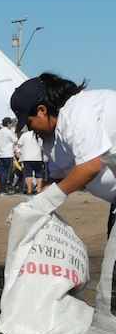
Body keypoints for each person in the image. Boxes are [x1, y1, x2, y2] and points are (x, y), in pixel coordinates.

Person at [10, 73, 116, 233]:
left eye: (29, 122)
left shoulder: (77, 113)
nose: (30, 128)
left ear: (42, 110)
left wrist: (46, 202)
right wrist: (33, 205)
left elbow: (91, 166)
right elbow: (57, 178)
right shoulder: (52, 138)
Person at [0, 117, 18, 195]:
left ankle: (1, 189)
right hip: (8, 154)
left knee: (1, 172)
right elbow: (16, 141)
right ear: (8, 123)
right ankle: (3, 189)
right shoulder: (9, 132)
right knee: (7, 173)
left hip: (0, 154)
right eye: (11, 123)